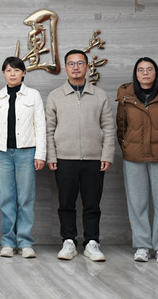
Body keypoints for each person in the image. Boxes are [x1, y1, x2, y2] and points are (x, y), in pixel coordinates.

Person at [46, 49, 115, 262]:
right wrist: (52, 157)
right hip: (64, 158)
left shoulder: (99, 95)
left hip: (94, 159)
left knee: (92, 204)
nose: (75, 67)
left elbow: (109, 127)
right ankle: (68, 241)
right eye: (71, 63)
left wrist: (107, 155)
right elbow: (49, 129)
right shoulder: (55, 96)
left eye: (80, 63)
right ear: (65, 68)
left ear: (87, 66)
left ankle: (92, 242)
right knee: (66, 203)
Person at [116, 57, 158, 264]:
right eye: (141, 70)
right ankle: (142, 246)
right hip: (133, 156)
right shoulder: (126, 94)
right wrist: (127, 145)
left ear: (156, 72)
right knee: (137, 203)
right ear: (135, 74)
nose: (145, 73)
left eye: (149, 69)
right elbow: (121, 126)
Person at [0, 57, 45, 258]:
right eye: (8, 70)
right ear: (3, 73)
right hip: (2, 154)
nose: (12, 74)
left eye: (16, 70)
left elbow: (40, 126)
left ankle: (25, 242)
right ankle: (8, 242)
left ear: (23, 73)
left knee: (25, 198)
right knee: (6, 198)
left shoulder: (33, 95)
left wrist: (40, 154)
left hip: (26, 152)